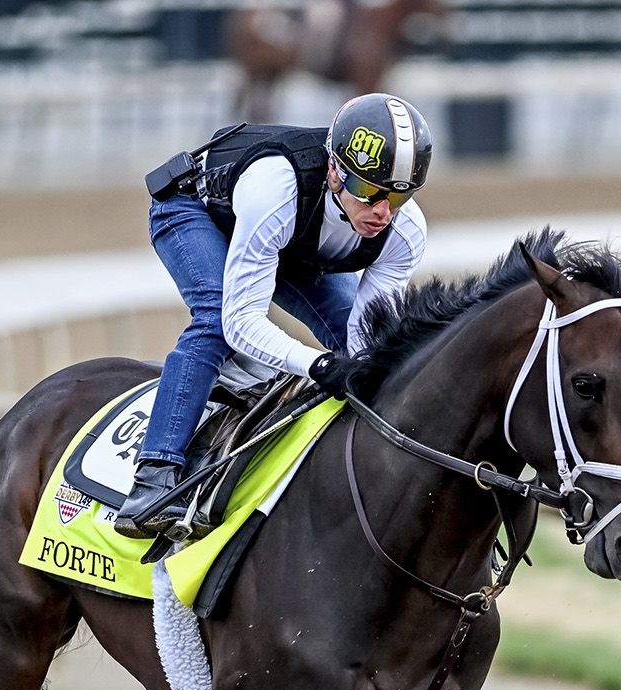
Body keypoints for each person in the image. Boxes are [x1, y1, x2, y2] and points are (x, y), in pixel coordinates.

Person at [114, 92, 433, 538]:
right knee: (213, 317)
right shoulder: (276, 188)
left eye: (399, 196)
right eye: (369, 191)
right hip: (195, 211)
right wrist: (315, 364)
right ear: (335, 170)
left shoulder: (406, 232)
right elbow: (240, 322)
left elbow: (363, 344)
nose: (382, 211)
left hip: (289, 243)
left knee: (372, 353)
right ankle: (153, 479)